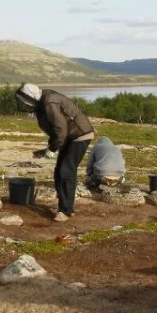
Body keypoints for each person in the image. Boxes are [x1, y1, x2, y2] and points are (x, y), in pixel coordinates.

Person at [14, 83, 95, 222]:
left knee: (66, 172)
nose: (24, 105)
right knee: (59, 172)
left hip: (80, 135)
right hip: (70, 137)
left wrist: (52, 149)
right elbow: (57, 133)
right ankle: (65, 207)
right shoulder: (43, 104)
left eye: (25, 102)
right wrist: (47, 150)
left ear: (31, 98)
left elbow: (60, 130)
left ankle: (66, 211)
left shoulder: (49, 102)